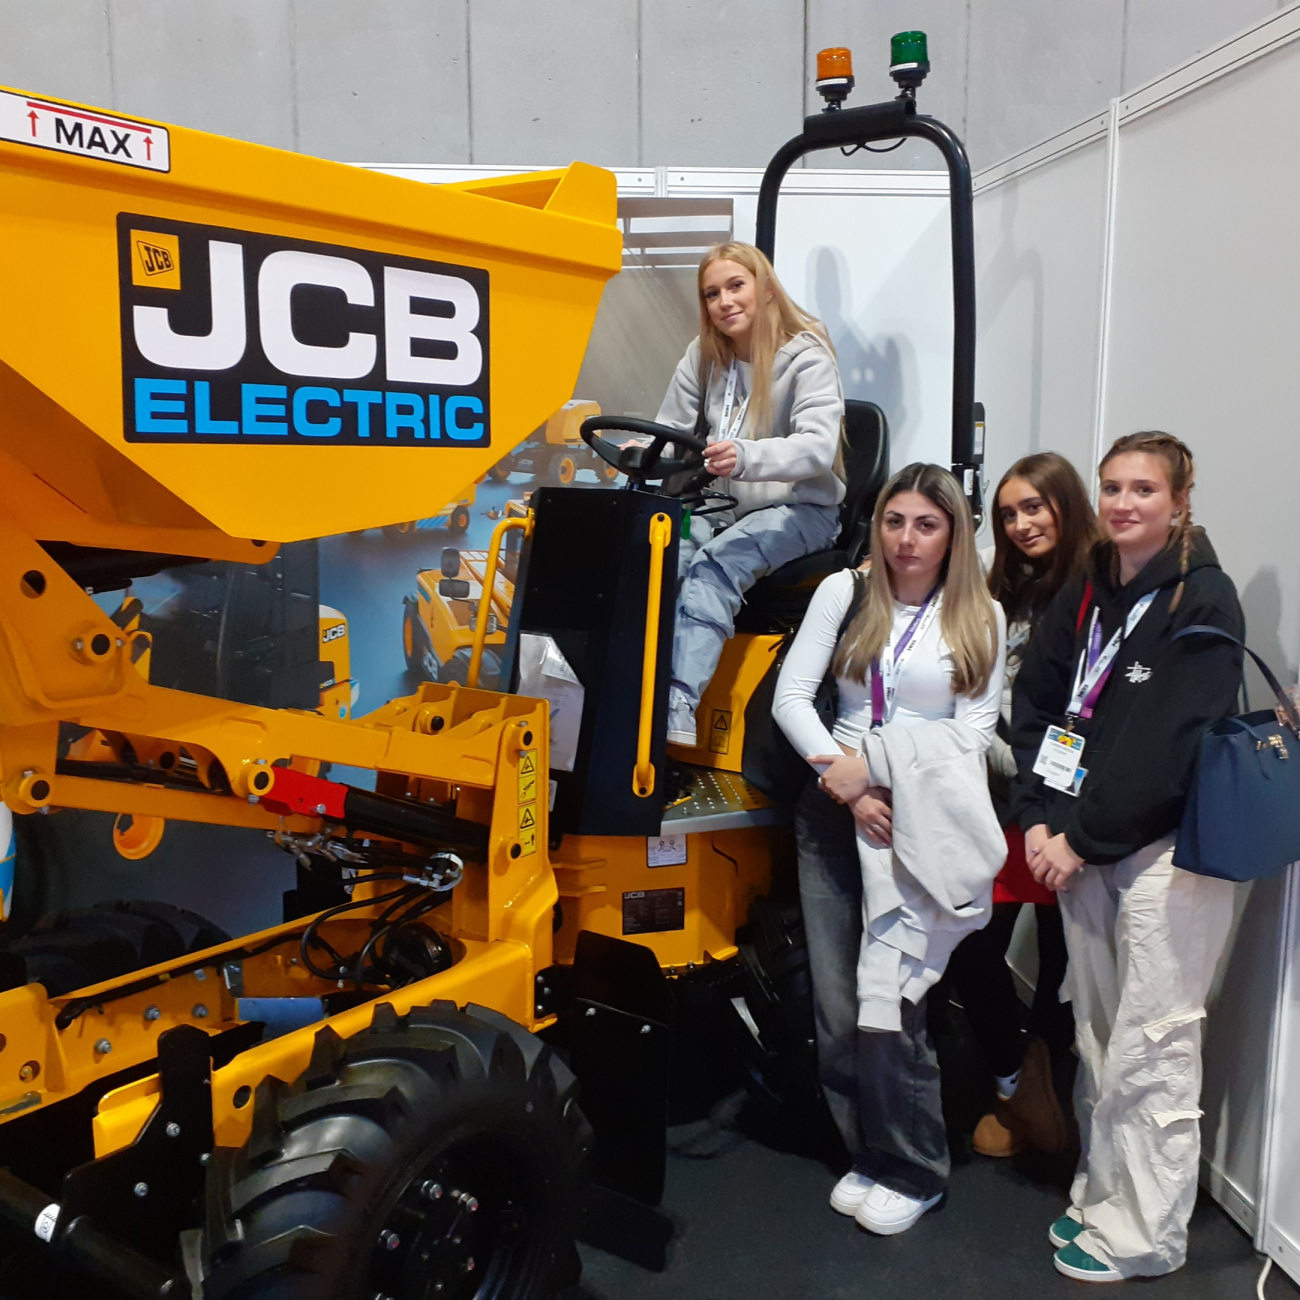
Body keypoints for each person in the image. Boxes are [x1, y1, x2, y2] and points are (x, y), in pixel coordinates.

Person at [1011, 432, 1244, 1282]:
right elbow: (1037, 703)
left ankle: (1145, 1235)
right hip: (1079, 847)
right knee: (1099, 1031)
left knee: (1155, 1045)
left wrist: (1078, 838)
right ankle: (1106, 1193)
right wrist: (1037, 816)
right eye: (1111, 487)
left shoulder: (1205, 602)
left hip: (1164, 857)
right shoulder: (1090, 588)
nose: (1121, 504)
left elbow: (1167, 750)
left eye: (1142, 489)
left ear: (1180, 501)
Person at [773, 463, 1007, 1236]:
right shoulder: (845, 592)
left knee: (897, 999)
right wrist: (847, 786)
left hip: (921, 817)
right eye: (895, 521)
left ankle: (916, 1166)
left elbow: (973, 735)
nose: (907, 540)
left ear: (953, 535)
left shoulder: (981, 615)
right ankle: (867, 1152)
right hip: (835, 811)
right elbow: (791, 698)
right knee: (840, 1003)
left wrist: (872, 766)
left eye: (927, 525)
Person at [947, 453, 1097, 1158]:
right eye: (1009, 513)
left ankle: (1046, 1089)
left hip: (1075, 805)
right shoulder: (1001, 584)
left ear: (1066, 505)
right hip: (1006, 800)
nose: (1021, 523)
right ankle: (1020, 1083)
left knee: (1067, 966)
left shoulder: (1099, 587)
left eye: (1035, 507)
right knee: (976, 950)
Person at [654, 242, 845, 747]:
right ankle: (635, 693)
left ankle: (677, 703)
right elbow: (669, 428)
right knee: (659, 560)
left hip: (802, 509)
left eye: (735, 286)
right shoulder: (704, 355)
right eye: (712, 293)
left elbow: (817, 448)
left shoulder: (806, 355)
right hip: (728, 506)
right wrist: (643, 447)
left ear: (764, 287)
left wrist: (747, 455)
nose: (724, 301)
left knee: (716, 563)